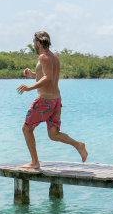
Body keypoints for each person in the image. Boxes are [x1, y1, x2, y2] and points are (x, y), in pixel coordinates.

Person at [16, 31, 88, 168]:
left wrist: (29, 87)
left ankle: (35, 162)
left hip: (45, 101)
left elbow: (47, 78)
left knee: (27, 129)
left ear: (37, 43)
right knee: (53, 134)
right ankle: (78, 145)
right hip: (56, 100)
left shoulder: (43, 57)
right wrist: (32, 74)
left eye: (33, 42)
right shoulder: (54, 57)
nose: (33, 45)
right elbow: (47, 76)